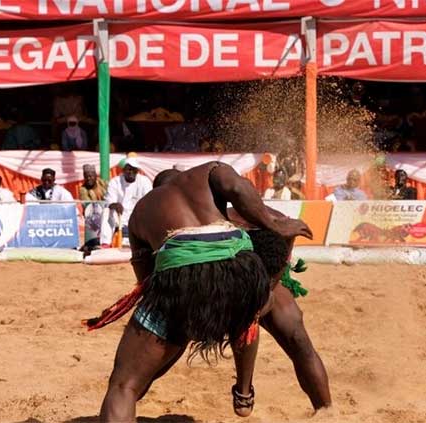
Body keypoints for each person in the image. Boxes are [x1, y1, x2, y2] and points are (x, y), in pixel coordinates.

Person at [87, 162, 331, 421]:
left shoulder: (142, 211)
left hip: (186, 284)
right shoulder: (211, 173)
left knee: (125, 385)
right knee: (289, 334)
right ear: (184, 177)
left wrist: (176, 334)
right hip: (247, 278)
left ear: (157, 191)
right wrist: (274, 231)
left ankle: (242, 386)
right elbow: (239, 189)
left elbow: (148, 282)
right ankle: (320, 409)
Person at [100, 158, 153, 246]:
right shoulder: (115, 182)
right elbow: (109, 200)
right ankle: (105, 243)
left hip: (138, 216)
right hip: (119, 217)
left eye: (134, 170)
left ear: (137, 171)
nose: (131, 172)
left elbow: (149, 201)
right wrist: (114, 204)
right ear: (124, 170)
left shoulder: (145, 181)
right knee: (107, 211)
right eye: (129, 169)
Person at [79, 164, 108, 253]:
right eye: (86, 176)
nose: (89, 178)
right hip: (92, 216)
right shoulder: (83, 189)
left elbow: (110, 195)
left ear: (96, 176)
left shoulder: (102, 183)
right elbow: (88, 205)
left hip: (106, 211)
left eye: (91, 176)